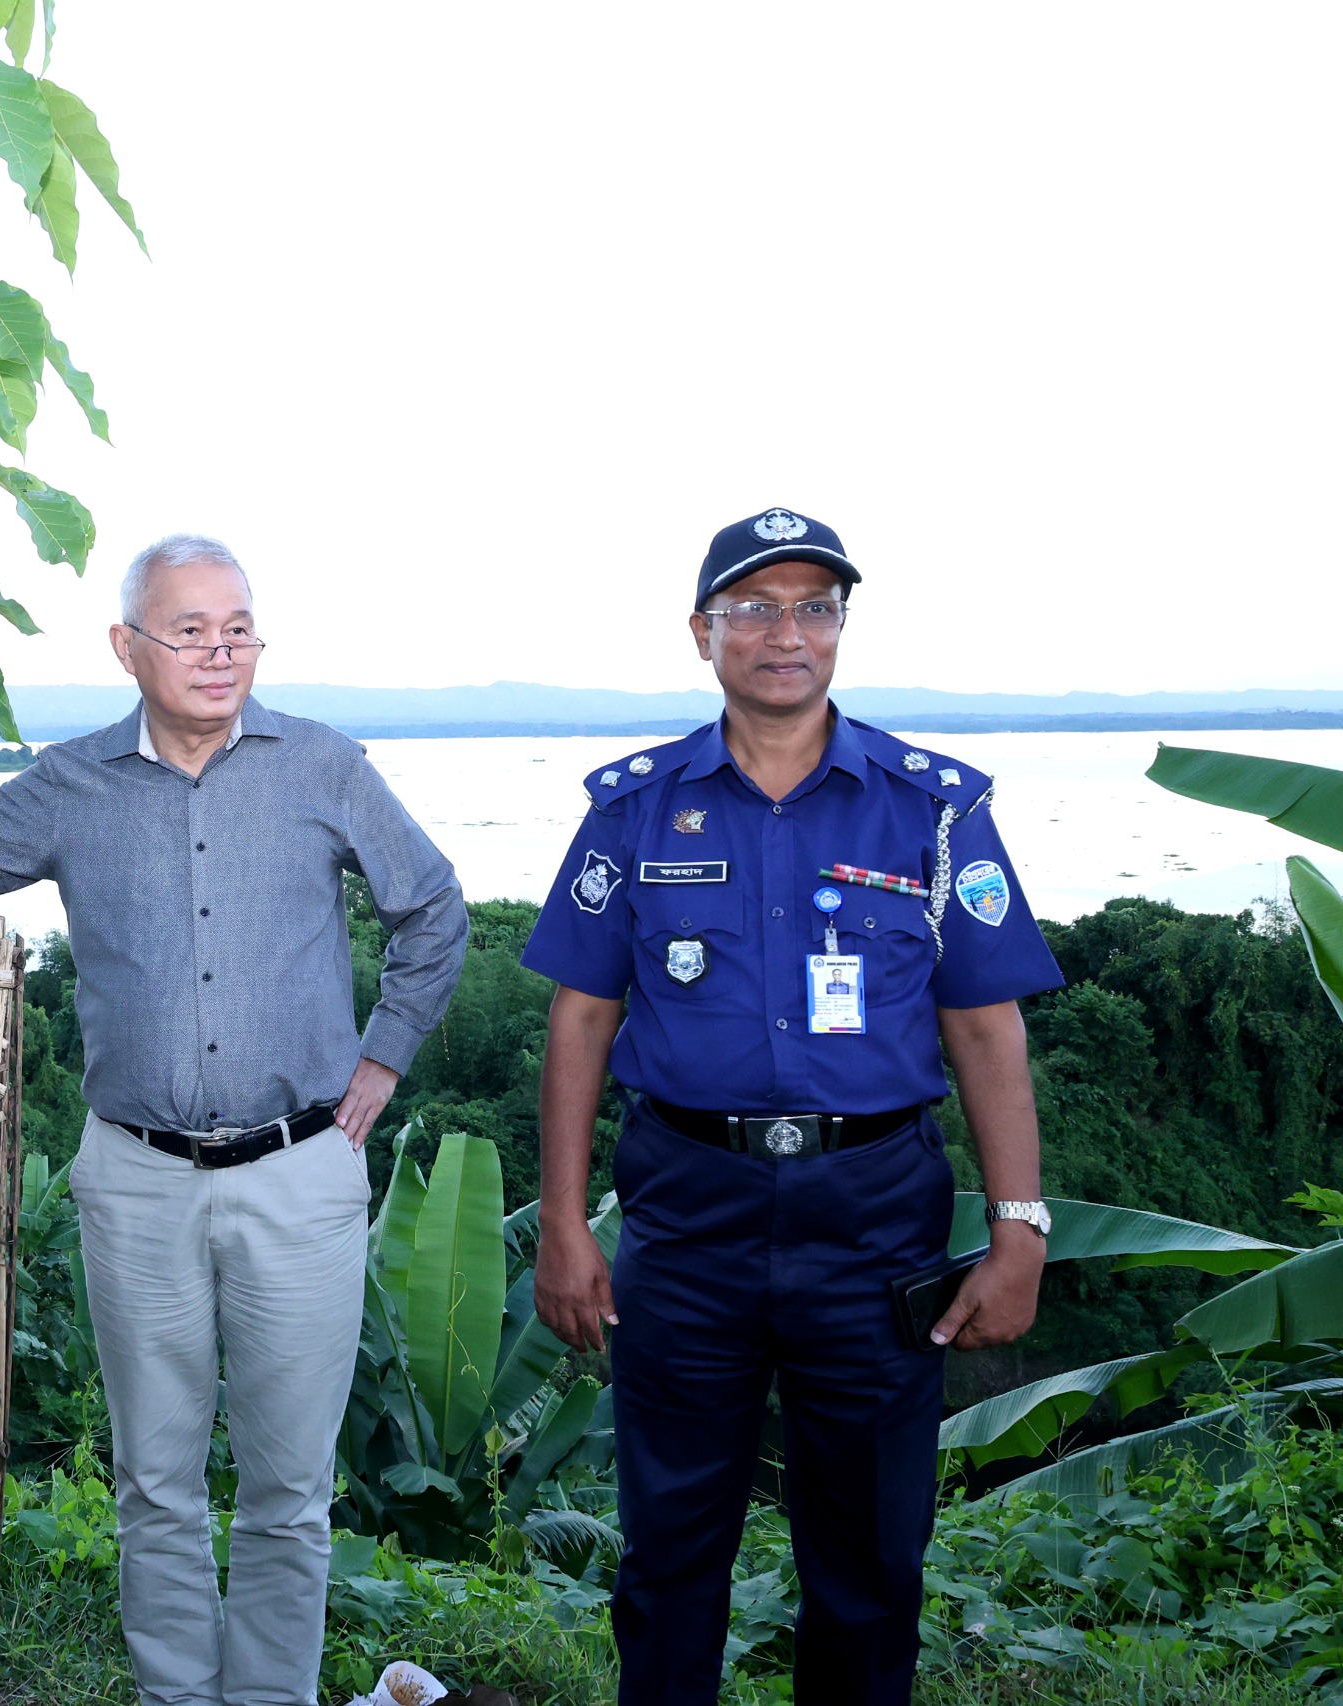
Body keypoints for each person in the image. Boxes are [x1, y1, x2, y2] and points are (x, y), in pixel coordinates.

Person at [0, 534, 469, 1706]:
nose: (219, 651)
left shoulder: (323, 767)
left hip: (299, 1169)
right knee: (155, 1479)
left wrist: (382, 1060)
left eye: (238, 626)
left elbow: (433, 910)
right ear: (127, 646)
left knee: (288, 1487)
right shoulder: (73, 786)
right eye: (189, 629)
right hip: (137, 1179)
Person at [522, 508, 1062, 1705]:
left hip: (872, 1218)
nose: (786, 632)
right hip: (687, 1213)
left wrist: (1019, 1225)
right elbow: (580, 1020)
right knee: (668, 1551)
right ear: (702, 633)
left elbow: (985, 1026)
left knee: (869, 1557)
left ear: (839, 628)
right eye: (754, 607)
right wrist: (564, 1223)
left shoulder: (930, 809)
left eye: (814, 605)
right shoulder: (635, 807)